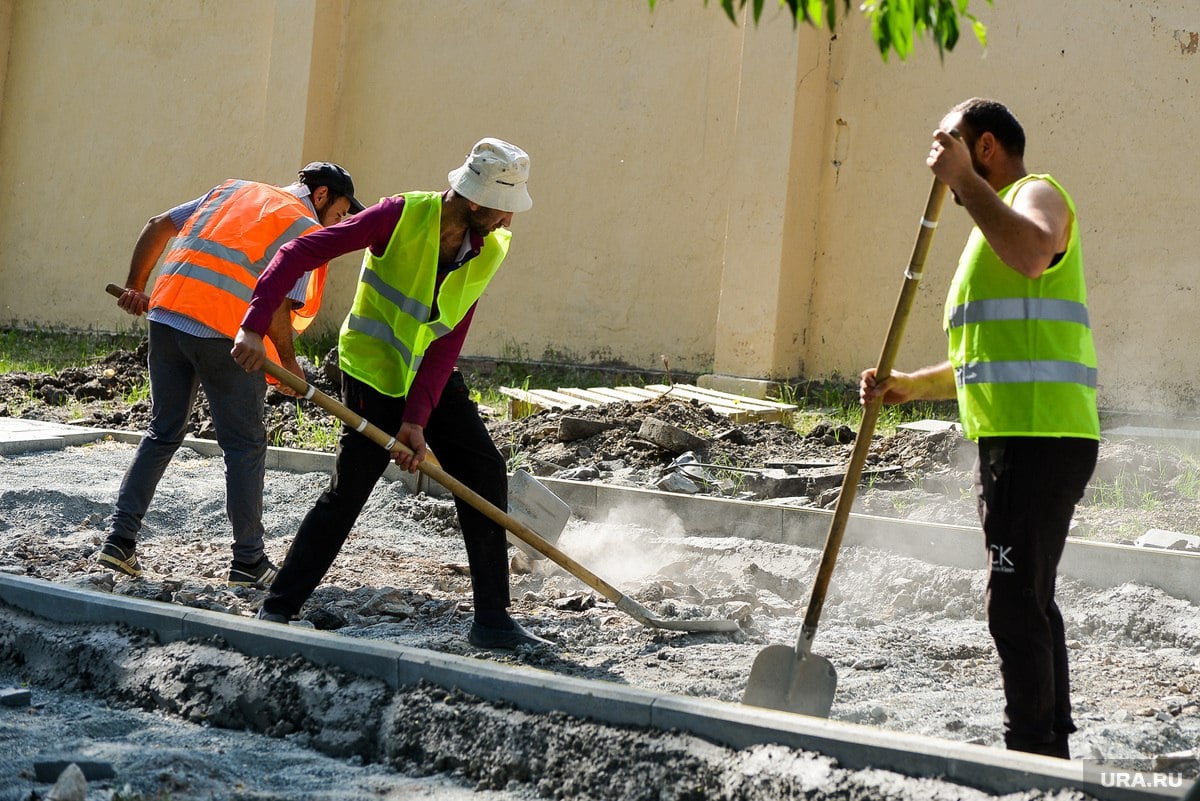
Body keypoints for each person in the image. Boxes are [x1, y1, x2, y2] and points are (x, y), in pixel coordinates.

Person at [231, 138, 548, 650]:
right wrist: (252, 327)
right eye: (503, 210)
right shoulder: (398, 215)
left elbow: (448, 338)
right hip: (373, 371)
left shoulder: (490, 248)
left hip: (429, 370)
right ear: (475, 201)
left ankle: (492, 619)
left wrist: (417, 420)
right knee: (351, 489)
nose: (509, 222)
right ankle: (279, 607)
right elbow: (297, 252)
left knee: (484, 471)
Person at [859, 98, 1099, 759]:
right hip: (1013, 437)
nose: (937, 161)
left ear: (985, 146)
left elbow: (1034, 252)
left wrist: (963, 178)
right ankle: (1050, 742)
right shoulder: (987, 231)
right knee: (1030, 595)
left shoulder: (1037, 193)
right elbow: (981, 358)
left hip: (1040, 437)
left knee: (1012, 600)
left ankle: (1030, 749)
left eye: (950, 146)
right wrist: (908, 384)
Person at [98, 163, 364, 588]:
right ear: (321, 196)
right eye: (341, 212)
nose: (340, 223)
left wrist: (136, 284)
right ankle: (248, 562)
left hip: (167, 319)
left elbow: (157, 225)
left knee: (162, 430)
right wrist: (292, 368)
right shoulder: (303, 226)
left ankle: (119, 541)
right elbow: (277, 307)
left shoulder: (232, 191)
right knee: (244, 445)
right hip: (228, 335)